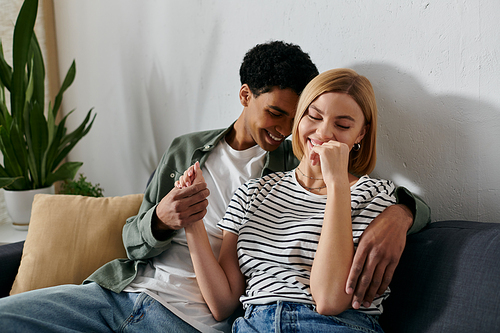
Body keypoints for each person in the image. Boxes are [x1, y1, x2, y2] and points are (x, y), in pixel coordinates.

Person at [0, 42, 428, 332]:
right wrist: (164, 220)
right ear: (245, 96)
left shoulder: (302, 165)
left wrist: (403, 212)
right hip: (122, 291)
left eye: (293, 116)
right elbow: (131, 240)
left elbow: (371, 202)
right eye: (279, 113)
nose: (286, 129)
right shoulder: (188, 150)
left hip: (189, 319)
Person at [179, 68, 396, 332]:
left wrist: (338, 183)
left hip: (334, 325)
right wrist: (192, 219)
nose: (324, 133)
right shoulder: (253, 192)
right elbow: (223, 303)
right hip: (255, 325)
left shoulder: (375, 196)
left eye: (343, 125)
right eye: (314, 116)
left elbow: (328, 300)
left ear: (361, 134)